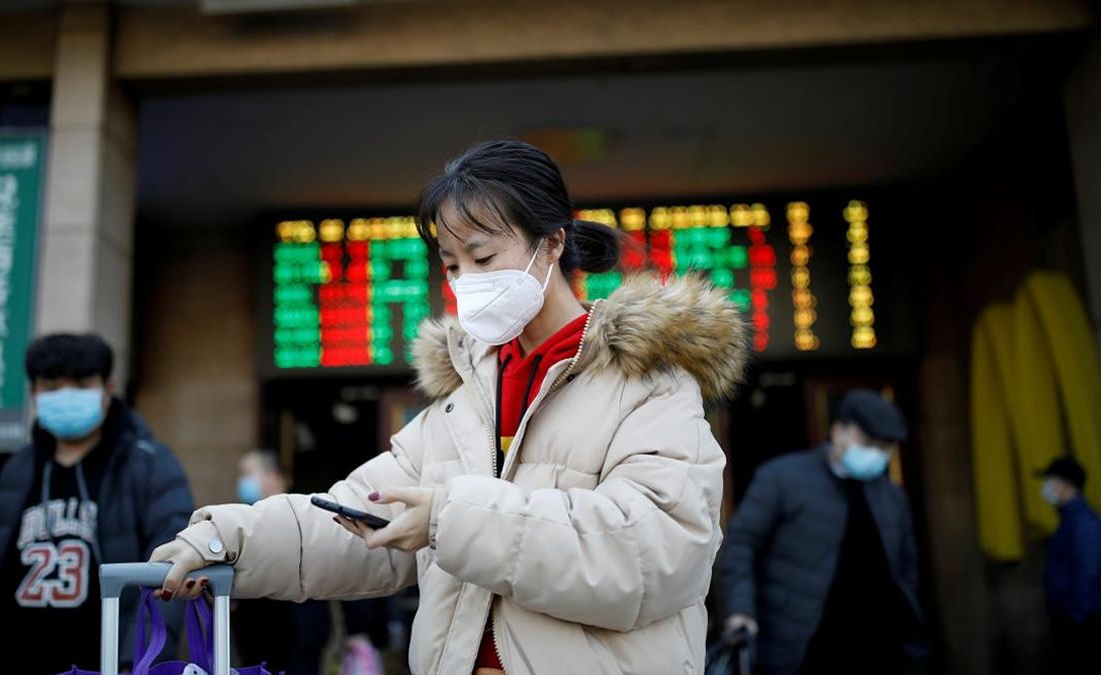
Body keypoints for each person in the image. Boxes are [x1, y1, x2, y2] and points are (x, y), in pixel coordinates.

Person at [150, 139, 747, 675]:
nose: (466, 282)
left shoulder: (649, 385)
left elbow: (652, 556)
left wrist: (449, 519)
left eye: (483, 258)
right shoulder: (464, 401)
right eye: (453, 265)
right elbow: (357, 515)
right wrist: (227, 540)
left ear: (552, 243)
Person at [0, 333, 194, 675]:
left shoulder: (149, 464)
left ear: (107, 390)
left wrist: (138, 663)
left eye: (82, 384)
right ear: (34, 393)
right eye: (52, 386)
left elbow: (170, 569)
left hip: (102, 663)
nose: (66, 396)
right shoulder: (17, 468)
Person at [718, 389, 925, 675]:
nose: (875, 454)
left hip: (879, 649)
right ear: (838, 432)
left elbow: (906, 569)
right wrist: (741, 611)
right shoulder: (782, 478)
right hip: (798, 648)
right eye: (868, 443)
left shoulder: (892, 497)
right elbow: (741, 545)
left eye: (884, 447)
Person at [233, 449, 333, 675]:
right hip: (256, 635)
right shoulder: (244, 518)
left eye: (248, 473)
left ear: (273, 477)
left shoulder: (304, 515)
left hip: (299, 632)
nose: (242, 481)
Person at [1037, 456, 1100, 674]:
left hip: (1083, 621)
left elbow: (1088, 573)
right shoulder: (1069, 519)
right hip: (1071, 618)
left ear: (1065, 483)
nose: (1046, 488)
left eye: (1050, 481)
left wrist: (1075, 617)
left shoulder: (1083, 522)